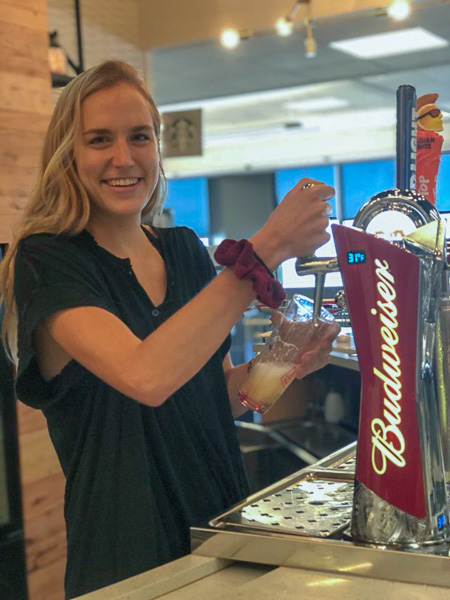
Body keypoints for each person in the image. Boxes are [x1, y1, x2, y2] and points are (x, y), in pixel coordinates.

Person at [0, 61, 339, 599]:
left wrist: (282, 362)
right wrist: (264, 251)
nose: (123, 157)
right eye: (99, 140)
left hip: (222, 534)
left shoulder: (183, 250)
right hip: (126, 561)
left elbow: (218, 395)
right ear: (69, 153)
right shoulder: (51, 263)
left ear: (158, 147)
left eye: (140, 137)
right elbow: (147, 376)